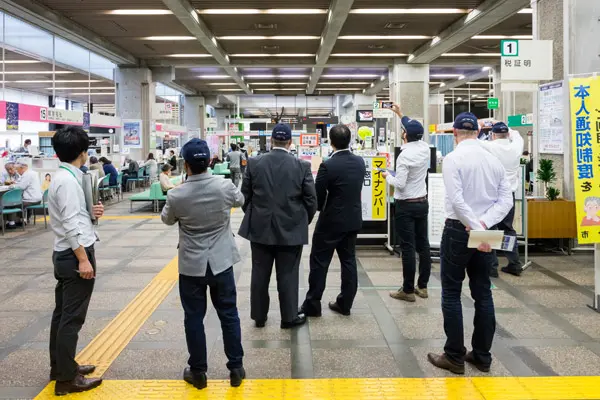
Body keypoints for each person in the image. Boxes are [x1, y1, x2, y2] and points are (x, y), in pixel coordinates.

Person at [427, 112, 512, 376]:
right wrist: (484, 226)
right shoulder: (493, 159)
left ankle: (454, 356)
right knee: (483, 292)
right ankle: (482, 356)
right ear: (477, 132)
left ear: (454, 133)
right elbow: (506, 201)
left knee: (451, 293)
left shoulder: (453, 158)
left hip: (458, 231)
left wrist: (475, 227)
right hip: (485, 231)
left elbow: (456, 200)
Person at [161, 138, 245, 391]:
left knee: (194, 318)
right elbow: (240, 201)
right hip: (222, 263)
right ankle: (236, 368)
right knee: (229, 314)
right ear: (209, 161)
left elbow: (167, 220)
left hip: (192, 266)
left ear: (185, 165)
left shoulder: (177, 194)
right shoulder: (225, 186)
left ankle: (198, 372)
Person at [239, 124, 317, 329]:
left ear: (271, 141)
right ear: (290, 142)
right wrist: (301, 221)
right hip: (291, 229)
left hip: (260, 228)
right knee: (288, 274)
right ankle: (289, 317)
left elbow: (244, 197)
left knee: (259, 273)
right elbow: (311, 201)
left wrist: (255, 215)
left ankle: (259, 316)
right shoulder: (302, 166)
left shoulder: (254, 163)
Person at [47, 126, 104, 396]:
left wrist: (92, 211)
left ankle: (62, 367)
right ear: (83, 152)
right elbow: (70, 225)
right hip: (74, 255)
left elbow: (73, 216)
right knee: (71, 319)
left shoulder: (64, 177)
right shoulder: (68, 182)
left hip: (66, 253)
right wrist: (83, 260)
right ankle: (66, 380)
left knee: (62, 316)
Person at [301, 125, 365, 317]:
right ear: (350, 140)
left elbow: (317, 196)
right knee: (348, 261)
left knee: (320, 262)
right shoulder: (360, 162)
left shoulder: (327, 165)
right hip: (353, 219)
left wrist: (316, 211)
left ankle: (313, 304)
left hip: (330, 222)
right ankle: (345, 303)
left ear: (330, 141)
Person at [382, 104, 432, 302]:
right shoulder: (425, 148)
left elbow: (400, 184)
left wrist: (387, 176)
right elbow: (411, 126)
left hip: (406, 205)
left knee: (408, 247)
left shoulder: (405, 156)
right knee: (423, 245)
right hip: (422, 203)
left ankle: (408, 290)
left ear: (405, 136)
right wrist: (400, 113)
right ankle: (423, 286)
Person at [479, 122, 524, 277]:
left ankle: (492, 266)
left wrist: (482, 126)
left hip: (492, 194)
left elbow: (472, 141)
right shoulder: (516, 146)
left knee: (490, 228)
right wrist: (506, 127)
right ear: (507, 134)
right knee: (507, 229)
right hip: (509, 195)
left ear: (493, 134)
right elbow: (516, 133)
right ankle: (515, 264)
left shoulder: (490, 146)